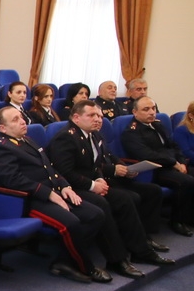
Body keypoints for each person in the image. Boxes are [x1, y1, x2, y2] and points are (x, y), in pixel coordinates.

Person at [48, 100, 172, 277]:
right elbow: (64, 172)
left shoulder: (93, 134)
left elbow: (96, 164)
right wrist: (93, 185)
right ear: (76, 118)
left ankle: (141, 251)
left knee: (125, 199)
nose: (98, 119)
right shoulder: (66, 138)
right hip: (70, 188)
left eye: (99, 116)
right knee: (103, 204)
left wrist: (99, 178)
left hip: (89, 183)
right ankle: (117, 260)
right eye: (92, 115)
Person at [0, 107, 107, 283]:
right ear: (2, 128)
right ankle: (86, 267)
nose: (22, 121)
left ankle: (64, 261)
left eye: (21, 117)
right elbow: (14, 180)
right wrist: (48, 193)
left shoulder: (26, 140)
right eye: (15, 120)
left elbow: (49, 167)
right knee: (71, 223)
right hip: (30, 200)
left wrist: (64, 186)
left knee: (96, 215)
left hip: (53, 192)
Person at [121, 96, 194, 236]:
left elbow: (174, 146)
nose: (151, 112)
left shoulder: (157, 125)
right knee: (186, 181)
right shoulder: (131, 132)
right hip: (154, 169)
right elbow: (147, 154)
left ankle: (190, 216)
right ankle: (178, 221)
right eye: (146, 109)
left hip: (173, 165)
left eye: (153, 108)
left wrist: (182, 162)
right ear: (135, 112)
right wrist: (174, 163)